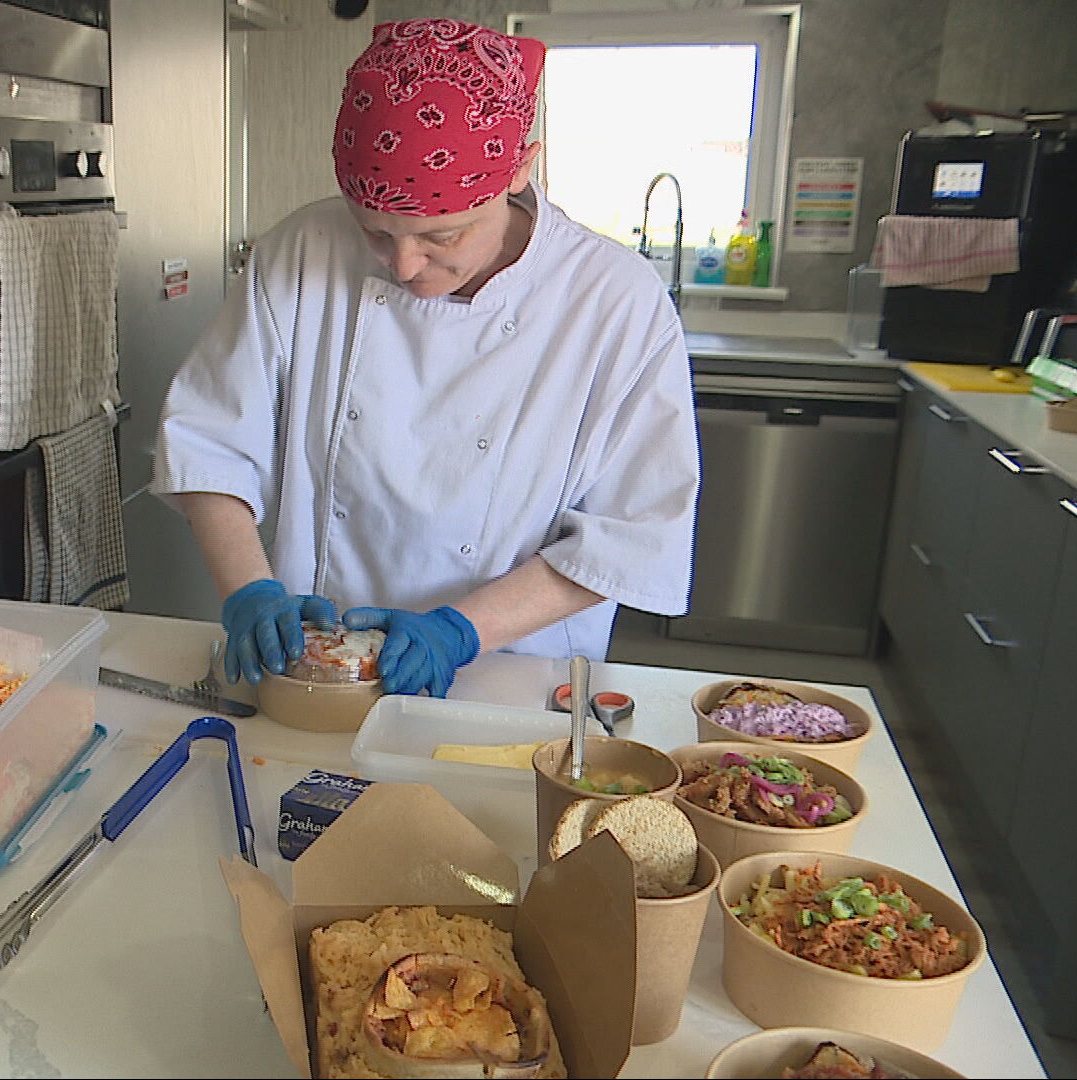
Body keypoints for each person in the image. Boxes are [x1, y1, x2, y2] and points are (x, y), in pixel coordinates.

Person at [151, 18, 699, 698]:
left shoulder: (614, 300)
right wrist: (249, 590)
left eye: (443, 235)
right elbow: (207, 441)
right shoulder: (300, 251)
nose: (405, 265)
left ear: (520, 168)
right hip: (317, 667)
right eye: (376, 233)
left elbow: (632, 534)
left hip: (514, 674)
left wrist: (459, 631)